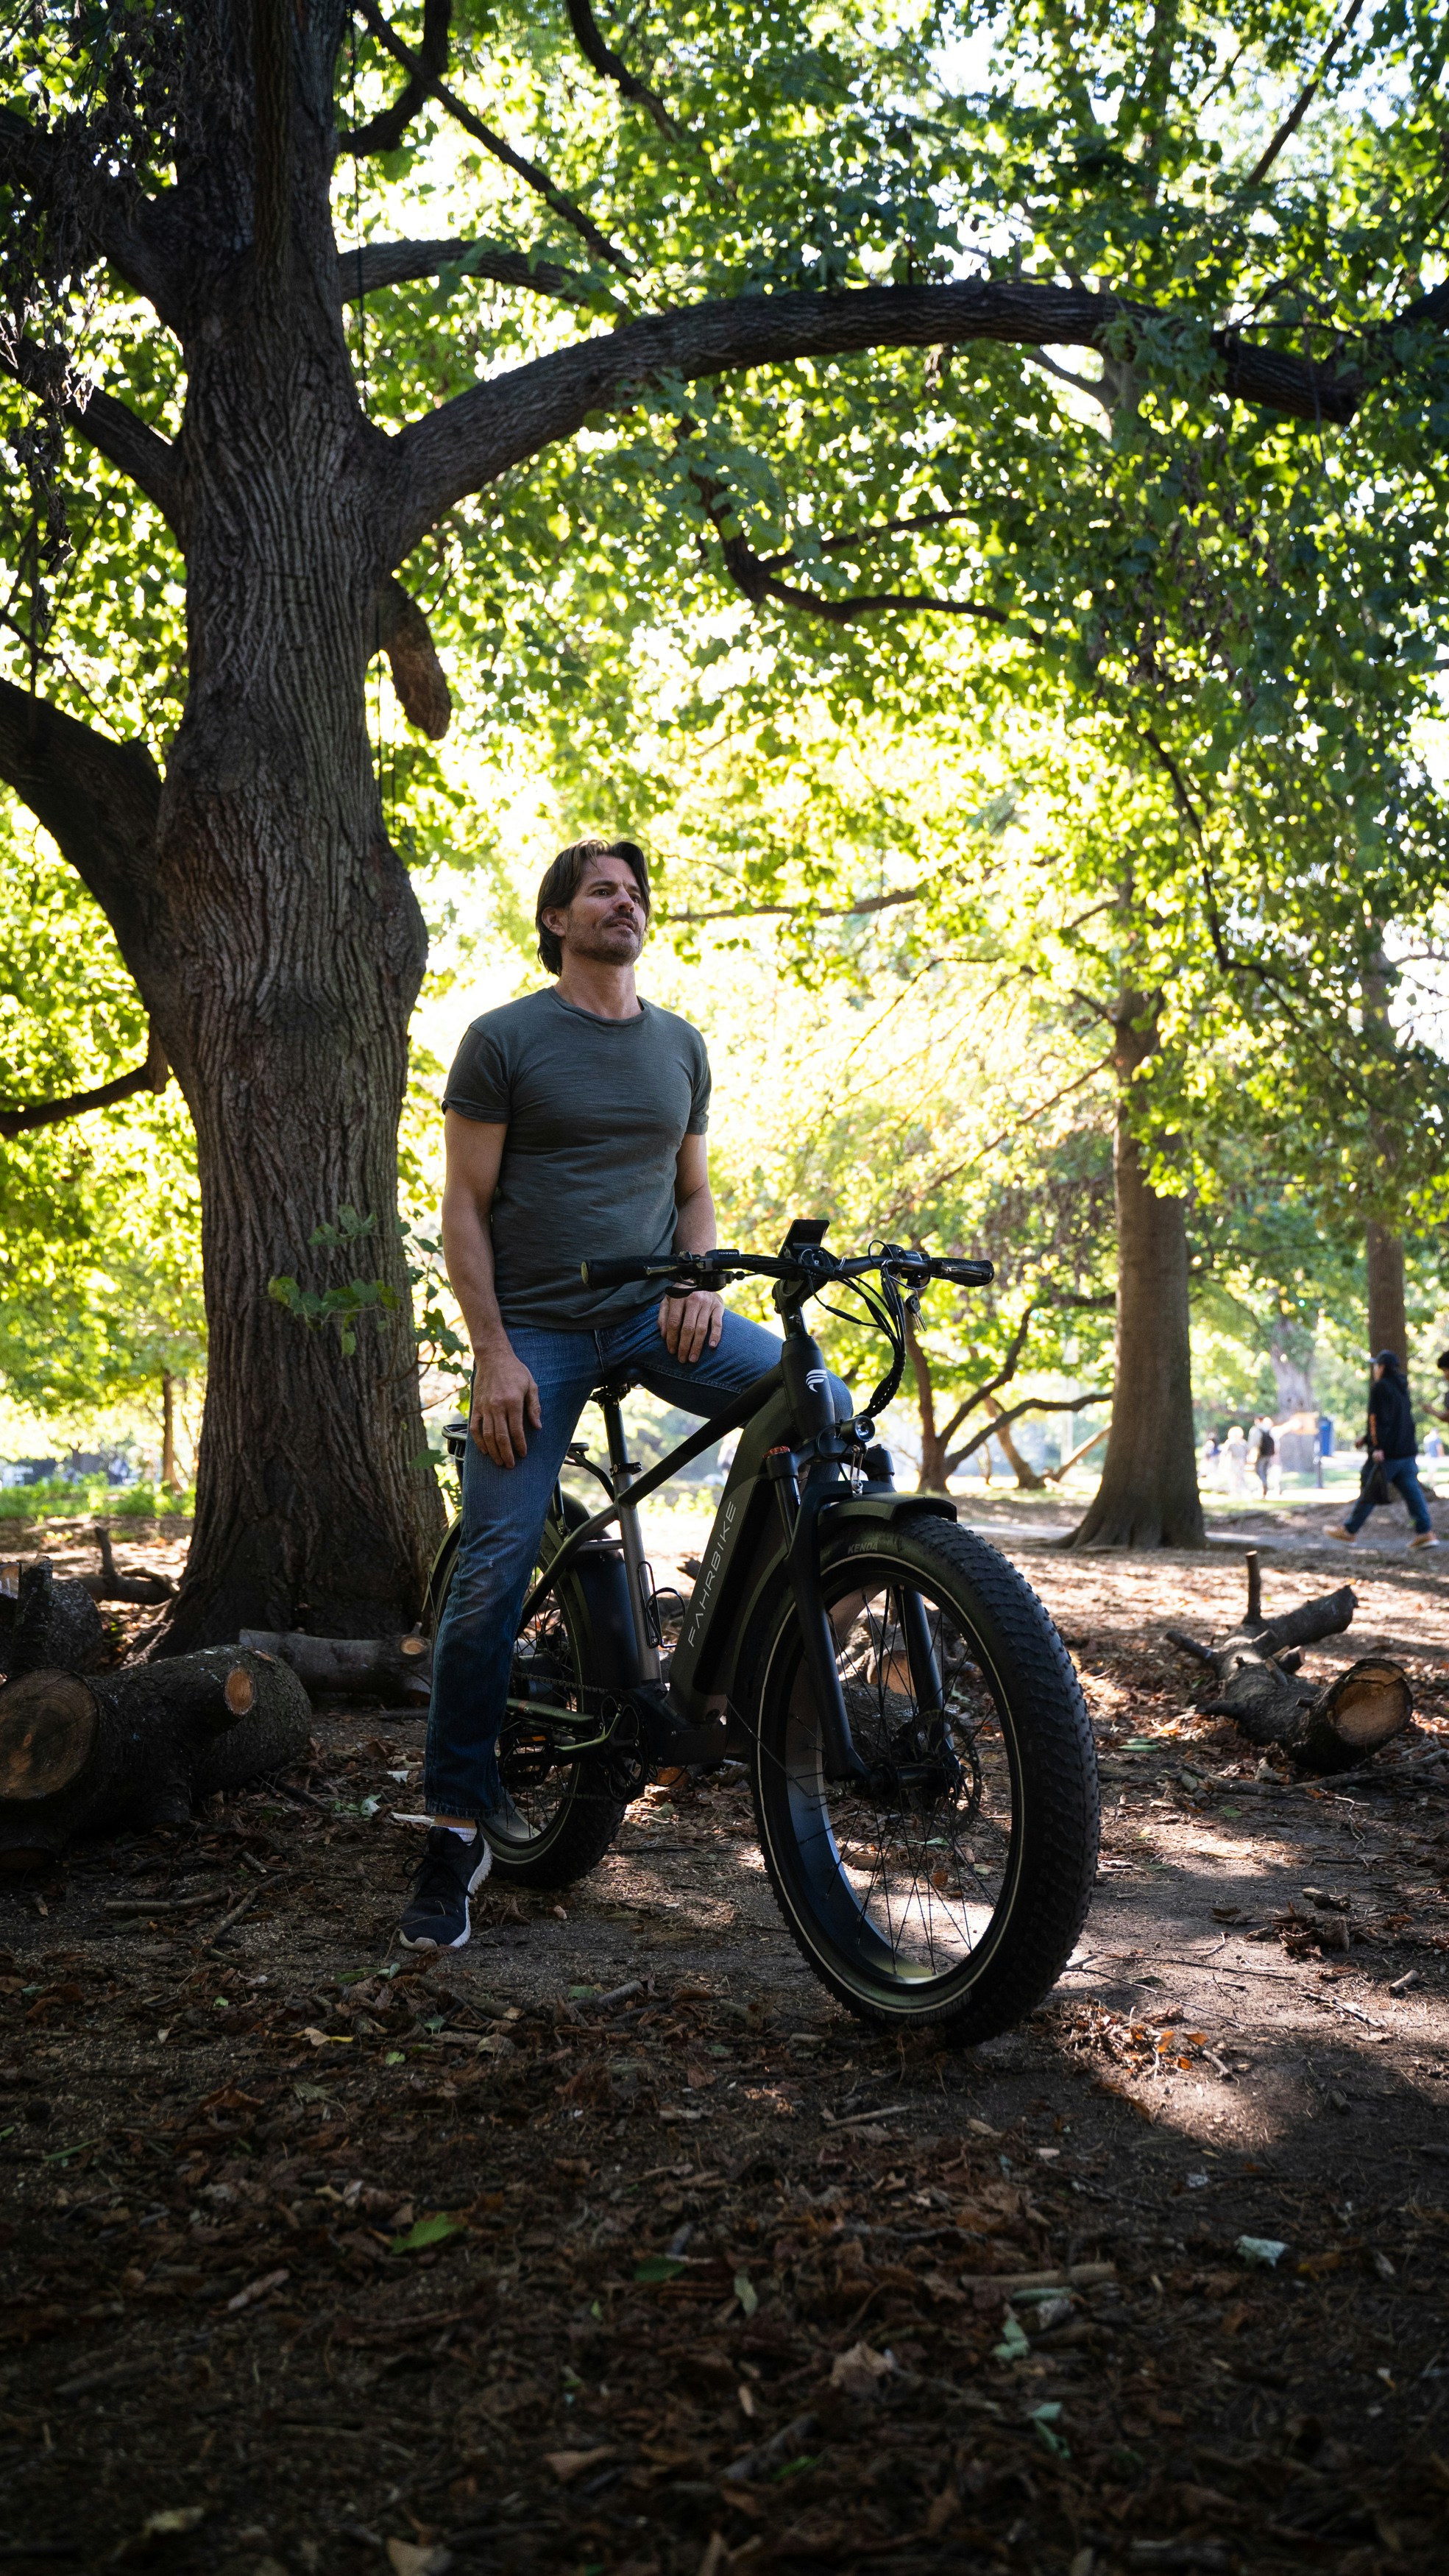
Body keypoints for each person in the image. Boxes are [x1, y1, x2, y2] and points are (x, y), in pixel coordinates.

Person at [399, 836, 849, 1950]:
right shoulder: (505, 1039)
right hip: (539, 1330)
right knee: (498, 1560)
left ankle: (755, 1661)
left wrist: (700, 1274)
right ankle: (454, 1827)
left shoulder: (680, 1047)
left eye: (636, 891)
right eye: (602, 890)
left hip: (658, 1315)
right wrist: (492, 1349)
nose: (626, 902)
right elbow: (464, 1205)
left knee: (816, 1398)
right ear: (556, 918)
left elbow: (693, 1192)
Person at [1325, 1351, 1439, 1551]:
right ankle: (1425, 1532)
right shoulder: (1401, 1388)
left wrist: (1377, 1446)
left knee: (1370, 1489)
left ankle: (1349, 1530)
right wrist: (1367, 1438)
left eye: (1377, 1366)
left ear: (1382, 1367)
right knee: (1412, 1493)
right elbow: (1397, 1421)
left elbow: (1377, 1420)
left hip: (1389, 1453)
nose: (1375, 1370)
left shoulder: (1380, 1388)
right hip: (1406, 1451)